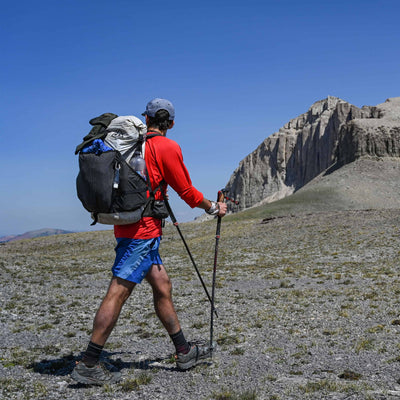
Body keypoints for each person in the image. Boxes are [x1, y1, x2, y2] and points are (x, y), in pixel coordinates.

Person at [71, 98, 227, 385]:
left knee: (162, 285)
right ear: (172, 123)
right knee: (118, 291)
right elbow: (187, 192)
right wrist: (214, 208)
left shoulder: (137, 146)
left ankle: (183, 352)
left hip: (135, 227)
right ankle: (89, 363)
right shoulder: (166, 147)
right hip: (142, 232)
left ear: (147, 118)